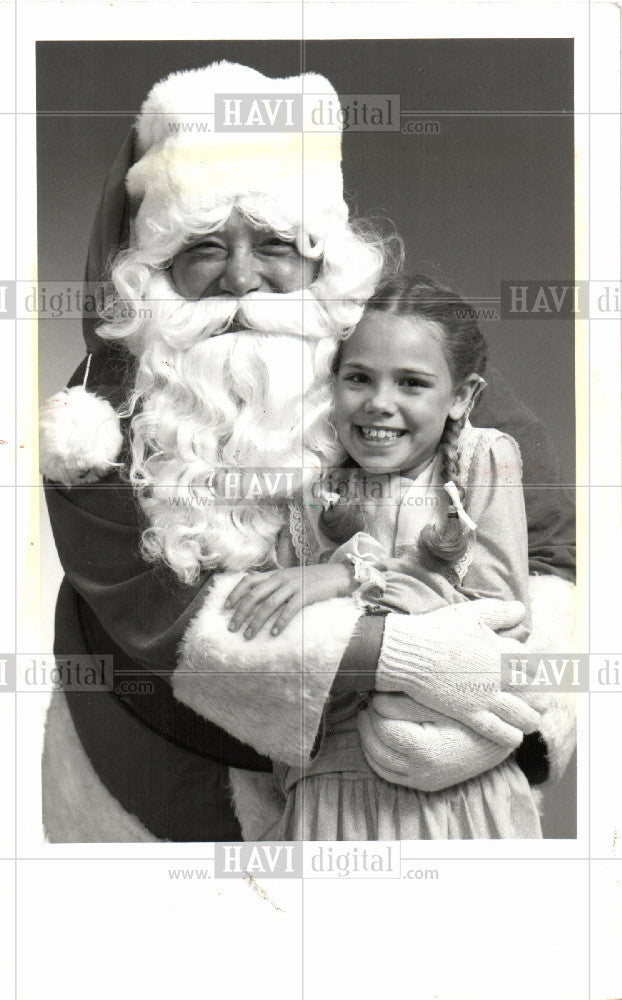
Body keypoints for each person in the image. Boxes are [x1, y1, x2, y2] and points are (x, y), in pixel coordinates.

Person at [40, 61, 576, 843]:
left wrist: (502, 724)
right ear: (155, 265)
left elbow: (555, 556)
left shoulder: (397, 364)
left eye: (274, 242)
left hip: (410, 798)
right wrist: (392, 653)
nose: (242, 278)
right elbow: (154, 613)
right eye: (203, 247)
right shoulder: (96, 413)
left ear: (323, 253)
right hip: (148, 777)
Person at [203, 276, 545, 839]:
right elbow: (283, 650)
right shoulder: (306, 490)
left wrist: (345, 575)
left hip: (459, 790)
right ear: (329, 385)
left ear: (462, 396)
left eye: (412, 383)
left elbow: (498, 618)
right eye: (358, 378)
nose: (379, 403)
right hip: (327, 791)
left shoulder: (485, 460)